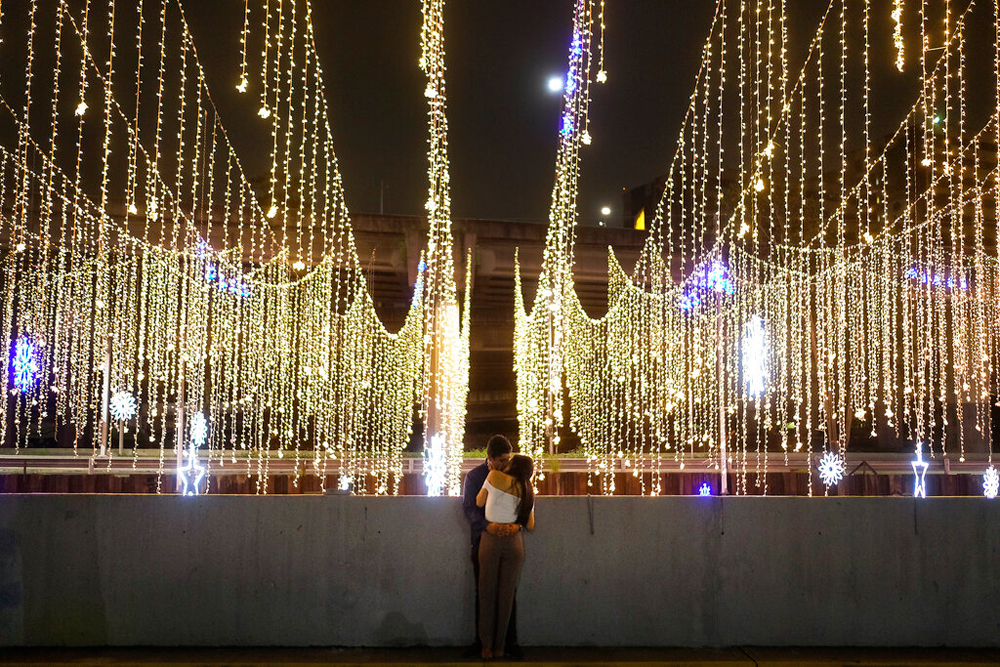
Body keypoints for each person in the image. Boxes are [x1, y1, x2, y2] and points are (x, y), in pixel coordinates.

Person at [461, 435, 523, 659]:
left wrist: (514, 525)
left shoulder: (513, 476)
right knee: (484, 591)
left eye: (508, 459)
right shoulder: (476, 476)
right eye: (502, 460)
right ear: (490, 459)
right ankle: (483, 643)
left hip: (506, 538)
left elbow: (522, 505)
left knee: (508, 592)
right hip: (482, 540)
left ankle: (507, 643)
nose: (506, 463)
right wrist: (489, 526)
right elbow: (469, 508)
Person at [475, 453, 535, 660]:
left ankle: (486, 647)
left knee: (486, 593)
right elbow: (530, 524)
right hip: (514, 542)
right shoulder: (527, 488)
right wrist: (514, 524)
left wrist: (490, 480)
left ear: (513, 465)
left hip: (491, 540)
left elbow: (479, 502)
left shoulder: (494, 476)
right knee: (506, 597)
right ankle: (500, 647)